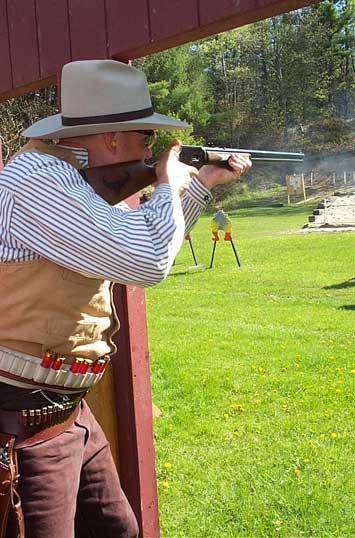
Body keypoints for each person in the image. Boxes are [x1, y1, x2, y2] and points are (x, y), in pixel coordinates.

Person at [0, 59, 251, 538]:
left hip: (67, 408)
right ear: (113, 140)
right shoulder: (37, 177)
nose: (151, 150)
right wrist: (170, 183)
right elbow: (146, 260)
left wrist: (197, 184)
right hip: (20, 419)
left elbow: (136, 240)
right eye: (146, 139)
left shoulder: (70, 179)